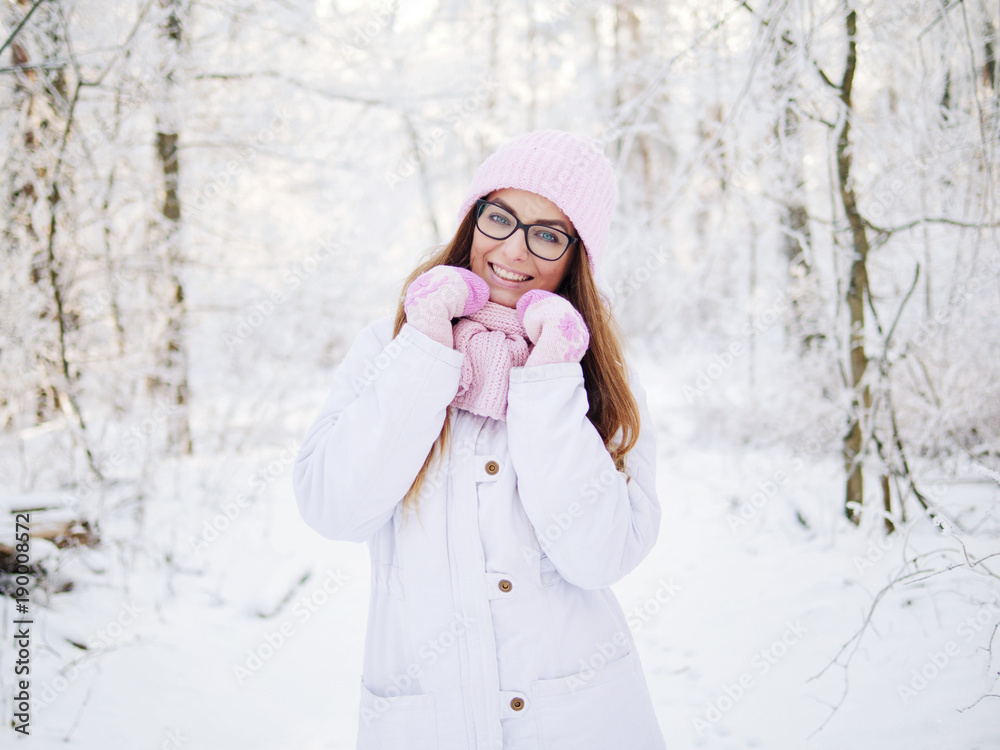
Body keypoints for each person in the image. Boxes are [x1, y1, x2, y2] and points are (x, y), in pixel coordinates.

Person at [294, 129, 666, 749]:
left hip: (577, 724)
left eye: (548, 233)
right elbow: (334, 508)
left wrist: (548, 380)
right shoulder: (392, 346)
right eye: (501, 218)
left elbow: (598, 555)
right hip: (426, 724)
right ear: (473, 219)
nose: (513, 250)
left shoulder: (598, 378)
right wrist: (425, 352)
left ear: (577, 257)